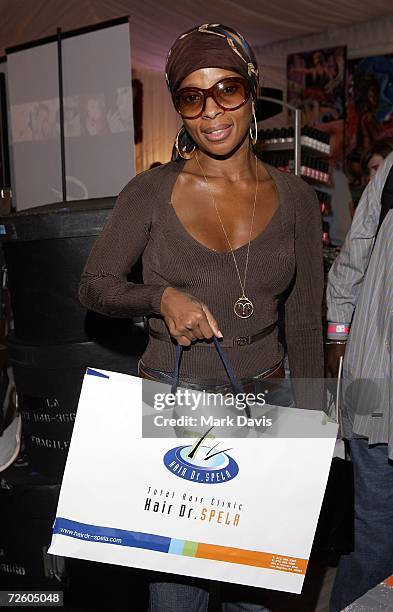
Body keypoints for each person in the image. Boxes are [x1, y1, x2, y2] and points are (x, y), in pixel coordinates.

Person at [79, 23, 324, 612]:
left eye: (227, 90)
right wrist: (157, 297)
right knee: (176, 591)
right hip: (175, 400)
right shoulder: (150, 191)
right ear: (180, 108)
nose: (212, 111)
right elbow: (94, 285)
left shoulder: (295, 199)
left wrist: (314, 434)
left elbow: (306, 319)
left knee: (254, 589)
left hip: (266, 400)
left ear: (252, 91)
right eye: (193, 96)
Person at [326, 152, 393, 611]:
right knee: (373, 538)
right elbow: (355, 252)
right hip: (375, 377)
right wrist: (337, 333)